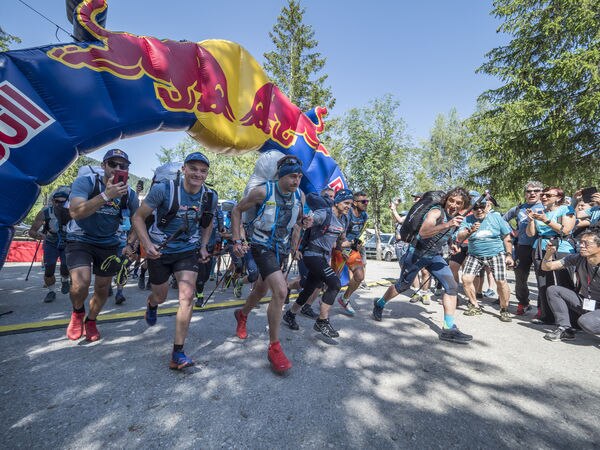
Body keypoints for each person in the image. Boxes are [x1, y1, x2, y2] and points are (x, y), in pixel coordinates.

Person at [132, 152, 216, 370]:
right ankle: (151, 304)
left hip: (187, 251)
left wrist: (204, 246)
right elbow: (138, 217)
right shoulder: (164, 190)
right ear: (184, 170)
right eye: (194, 168)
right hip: (159, 250)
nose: (198, 173)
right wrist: (147, 245)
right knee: (160, 295)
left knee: (187, 296)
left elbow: (207, 223)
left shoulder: (209, 197)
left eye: (203, 170)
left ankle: (177, 353)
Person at [231, 155, 310, 375]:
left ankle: (242, 314)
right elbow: (237, 211)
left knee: (261, 289)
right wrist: (237, 239)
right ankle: (274, 347)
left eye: (300, 177)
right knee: (281, 290)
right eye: (293, 176)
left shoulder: (300, 196)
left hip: (281, 249)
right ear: (282, 176)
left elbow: (297, 224)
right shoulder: (262, 191)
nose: (296, 181)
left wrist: (295, 245)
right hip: (261, 245)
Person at [372, 187, 473, 344]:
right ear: (446, 199)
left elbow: (444, 235)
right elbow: (424, 232)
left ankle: (448, 328)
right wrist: (447, 224)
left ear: (463, 205)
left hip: (435, 256)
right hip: (416, 254)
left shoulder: (454, 216)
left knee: (451, 287)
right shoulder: (436, 212)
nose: (453, 205)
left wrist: (452, 243)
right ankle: (380, 303)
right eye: (451, 200)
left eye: (458, 203)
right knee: (402, 286)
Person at [65, 149, 139, 342]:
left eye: (122, 166)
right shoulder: (87, 182)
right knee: (81, 284)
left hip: (109, 242)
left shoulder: (129, 194)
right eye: (112, 164)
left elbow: (138, 222)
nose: (117, 168)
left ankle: (91, 320)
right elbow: (75, 212)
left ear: (128, 170)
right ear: (103, 166)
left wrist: (130, 245)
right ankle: (77, 313)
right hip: (80, 237)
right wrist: (106, 196)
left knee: (103, 287)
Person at [282, 189, 354, 338]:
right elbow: (300, 225)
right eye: (346, 203)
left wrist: (352, 244)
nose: (348, 206)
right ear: (337, 201)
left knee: (309, 288)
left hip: (323, 257)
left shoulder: (344, 220)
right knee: (335, 284)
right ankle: (322, 321)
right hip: (312, 255)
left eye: (350, 204)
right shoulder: (324, 214)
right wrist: (295, 248)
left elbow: (341, 242)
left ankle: (290, 313)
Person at [456, 199, 514, 322]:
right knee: (466, 279)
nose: (479, 210)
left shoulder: (496, 218)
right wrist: (470, 230)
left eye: (481, 206)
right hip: (474, 255)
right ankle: (475, 305)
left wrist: (509, 255)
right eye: (475, 208)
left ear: (487, 206)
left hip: (496, 254)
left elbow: (506, 236)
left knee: (501, 282)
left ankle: (504, 309)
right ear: (472, 209)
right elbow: (459, 236)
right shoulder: (467, 220)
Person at [526, 186, 576, 324]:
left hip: (562, 246)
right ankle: (547, 316)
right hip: (540, 246)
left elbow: (566, 230)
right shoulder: (540, 212)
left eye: (548, 195)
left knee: (564, 282)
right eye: (542, 194)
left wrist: (545, 220)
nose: (543, 197)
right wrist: (531, 220)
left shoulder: (566, 210)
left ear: (558, 197)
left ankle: (571, 318)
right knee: (543, 283)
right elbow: (530, 233)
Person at [541, 230, 600, 341]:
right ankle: (565, 329)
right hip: (589, 302)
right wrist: (549, 253)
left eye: (586, 243)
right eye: (581, 242)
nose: (581, 246)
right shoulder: (579, 258)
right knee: (553, 290)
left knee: (585, 322)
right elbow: (547, 267)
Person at [503, 181, 544, 315]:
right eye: (529, 191)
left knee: (541, 278)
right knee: (520, 277)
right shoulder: (519, 208)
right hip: (522, 246)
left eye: (536, 191)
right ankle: (523, 303)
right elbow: (503, 220)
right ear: (525, 194)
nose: (532, 193)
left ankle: (541, 308)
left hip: (540, 246)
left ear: (541, 193)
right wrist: (512, 231)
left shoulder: (546, 207)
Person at [29, 187, 72, 303]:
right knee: (49, 269)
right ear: (53, 201)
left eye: (63, 202)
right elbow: (31, 231)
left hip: (68, 243)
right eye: (57, 201)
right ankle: (51, 291)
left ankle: (65, 280)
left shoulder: (73, 211)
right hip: (51, 243)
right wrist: (42, 236)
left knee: (66, 266)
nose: (59, 204)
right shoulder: (45, 212)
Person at [334, 191, 369, 315]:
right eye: (363, 201)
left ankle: (345, 298)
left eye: (367, 201)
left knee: (360, 276)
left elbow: (359, 232)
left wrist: (357, 244)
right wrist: (343, 247)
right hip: (339, 247)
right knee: (332, 280)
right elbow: (338, 234)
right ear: (355, 202)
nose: (366, 203)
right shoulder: (347, 215)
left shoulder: (365, 215)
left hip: (352, 248)